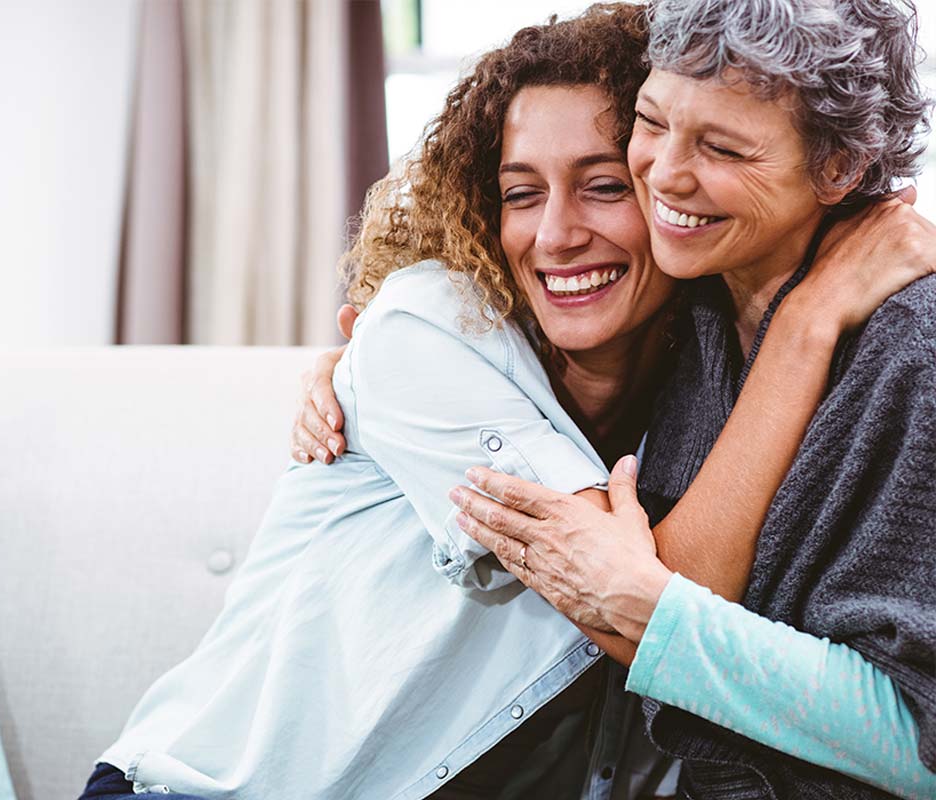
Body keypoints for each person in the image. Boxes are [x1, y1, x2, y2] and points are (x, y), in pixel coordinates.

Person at [92, 5, 932, 799]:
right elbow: (637, 600)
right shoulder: (449, 328)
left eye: (603, 185)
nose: (665, 177)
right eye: (520, 194)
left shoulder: (710, 340)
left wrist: (804, 327)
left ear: (838, 167)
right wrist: (806, 331)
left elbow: (648, 604)